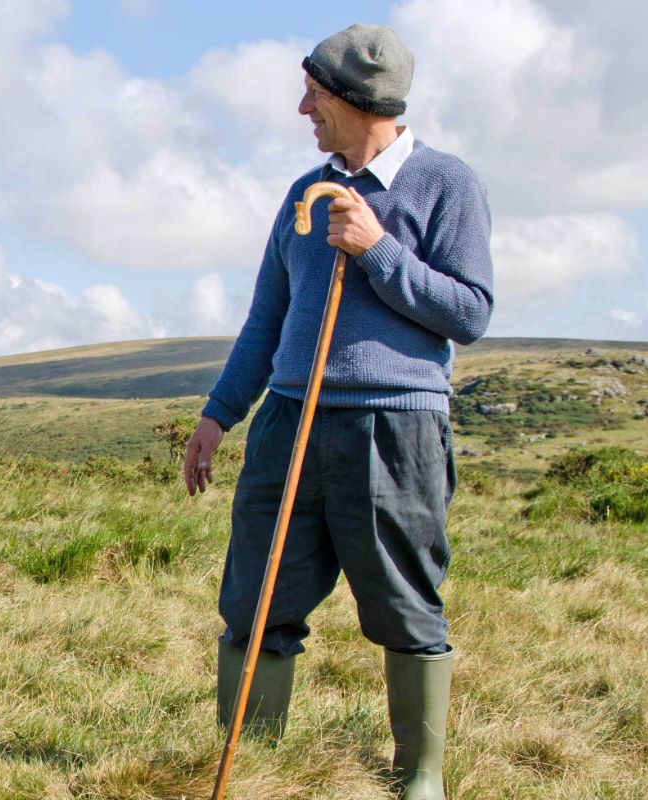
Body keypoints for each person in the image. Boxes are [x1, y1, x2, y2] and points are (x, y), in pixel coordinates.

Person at [181, 24, 493, 800]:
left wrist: (378, 248)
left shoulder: (447, 184)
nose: (301, 110)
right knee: (255, 599)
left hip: (394, 428)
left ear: (356, 101)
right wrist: (221, 413)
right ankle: (251, 765)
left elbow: (471, 311)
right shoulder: (301, 193)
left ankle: (419, 778)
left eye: (314, 96)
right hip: (291, 421)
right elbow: (268, 317)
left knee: (402, 602)